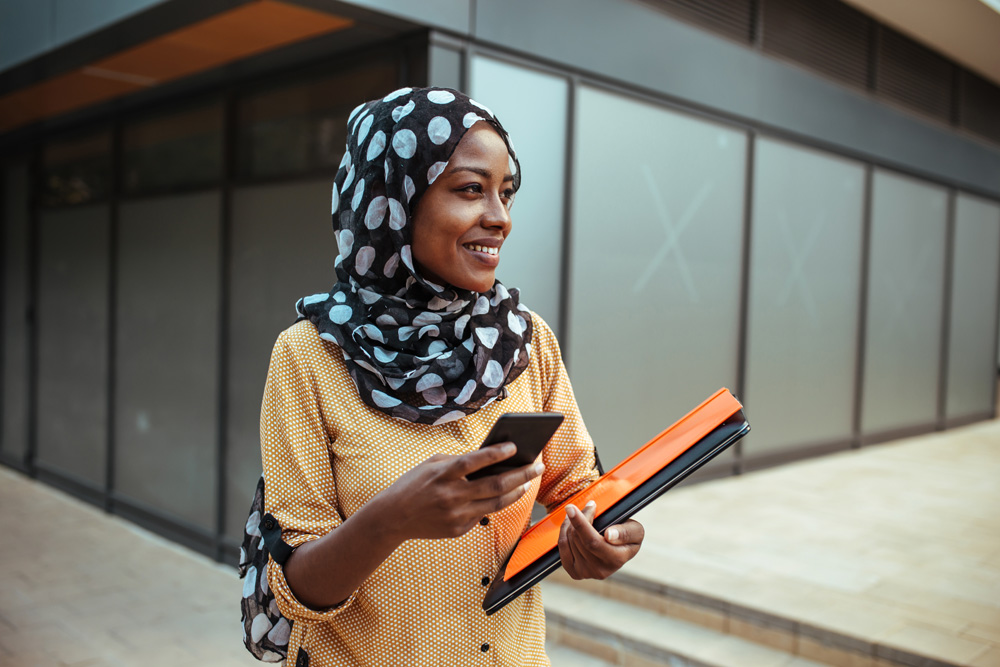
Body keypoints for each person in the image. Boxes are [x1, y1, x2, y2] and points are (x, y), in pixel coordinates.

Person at [261, 86, 644, 667]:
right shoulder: (311, 357)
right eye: (470, 189)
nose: (500, 219)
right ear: (394, 201)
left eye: (507, 193)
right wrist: (389, 522)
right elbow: (297, 591)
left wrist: (606, 533)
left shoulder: (523, 339)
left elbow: (578, 489)